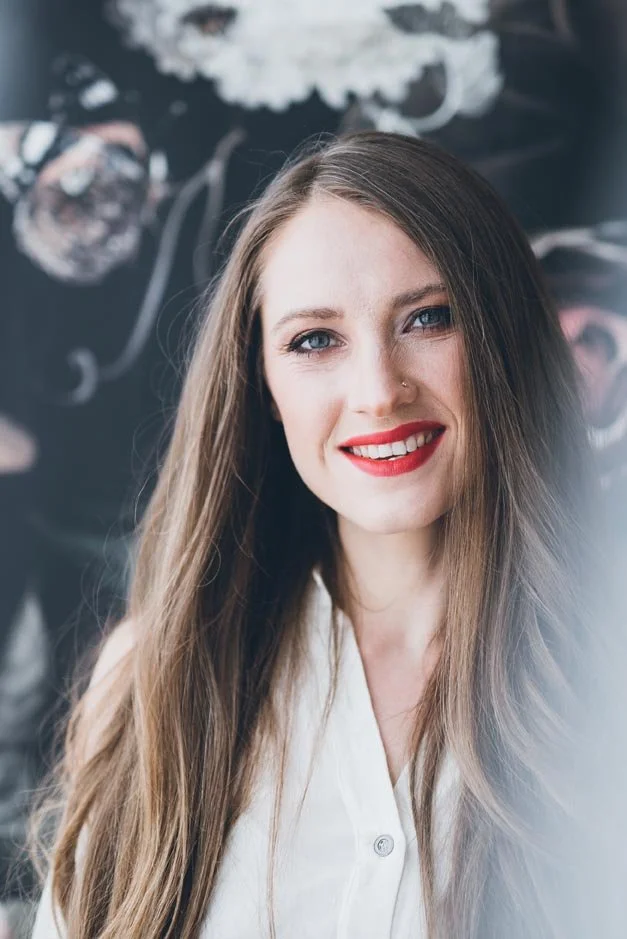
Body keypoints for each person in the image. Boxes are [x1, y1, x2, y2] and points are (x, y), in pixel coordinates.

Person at [30, 132, 600, 939]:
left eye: (428, 318)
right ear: (261, 383)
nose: (377, 390)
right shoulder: (155, 677)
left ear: (505, 334)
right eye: (314, 340)